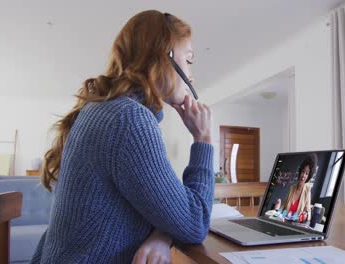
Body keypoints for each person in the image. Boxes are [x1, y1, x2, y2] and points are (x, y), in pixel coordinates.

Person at [31, 10, 214, 264]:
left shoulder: (106, 110)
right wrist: (203, 139)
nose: (191, 75)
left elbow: (164, 207)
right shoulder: (130, 121)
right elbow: (195, 223)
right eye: (189, 60)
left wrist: (162, 234)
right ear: (164, 57)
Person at [274, 154, 317, 222]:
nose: (303, 175)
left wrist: (305, 215)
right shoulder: (292, 188)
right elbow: (284, 207)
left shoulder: (307, 190)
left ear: (308, 176)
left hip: (294, 224)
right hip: (284, 222)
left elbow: (308, 213)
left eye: (306, 173)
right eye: (303, 171)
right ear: (300, 172)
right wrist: (277, 210)